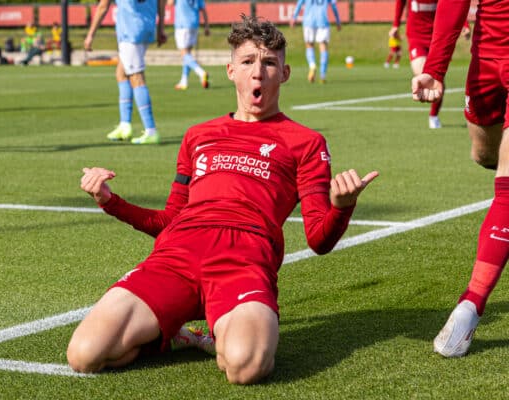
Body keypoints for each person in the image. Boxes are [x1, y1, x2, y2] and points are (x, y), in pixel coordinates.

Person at [66, 15, 378, 384]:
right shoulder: (198, 135)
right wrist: (109, 201)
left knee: (246, 367)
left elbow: (318, 241)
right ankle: (175, 333)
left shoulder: (306, 143)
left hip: (244, 258)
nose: (257, 73)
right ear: (231, 70)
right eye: (247, 62)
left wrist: (342, 207)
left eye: (269, 63)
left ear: (285, 73)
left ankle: (217, 330)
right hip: (177, 252)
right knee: (83, 355)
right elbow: (169, 220)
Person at [412, 0, 509, 358]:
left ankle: (470, 305)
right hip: (486, 57)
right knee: (485, 154)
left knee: (508, 179)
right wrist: (435, 68)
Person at [84, 0, 167, 145]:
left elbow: (103, 6)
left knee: (136, 76)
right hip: (146, 27)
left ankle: (151, 130)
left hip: (131, 32)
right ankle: (125, 125)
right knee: (121, 73)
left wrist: (90, 34)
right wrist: (160, 29)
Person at [389, 0, 470, 129]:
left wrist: (465, 24)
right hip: (416, 36)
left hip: (437, 36)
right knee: (424, 74)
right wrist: (395, 25)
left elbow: (455, 3)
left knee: (438, 80)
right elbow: (400, 3)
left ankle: (433, 115)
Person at [289, 0, 341, 83]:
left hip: (309, 21)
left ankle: (312, 65)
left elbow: (299, 4)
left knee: (309, 45)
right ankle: (322, 75)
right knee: (323, 46)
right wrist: (338, 20)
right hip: (323, 21)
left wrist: (294, 18)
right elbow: (334, 6)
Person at [168, 0, 210, 90]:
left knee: (184, 54)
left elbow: (170, 3)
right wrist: (207, 26)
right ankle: (184, 81)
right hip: (194, 24)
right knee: (188, 54)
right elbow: (203, 9)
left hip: (182, 25)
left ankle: (201, 73)